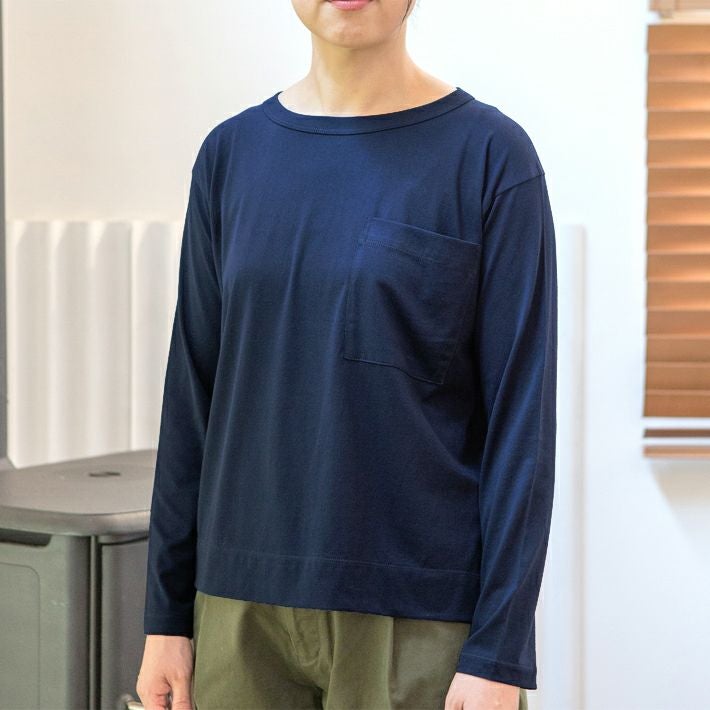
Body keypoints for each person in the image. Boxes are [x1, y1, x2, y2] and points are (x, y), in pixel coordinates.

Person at [136, 0, 558, 708]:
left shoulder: (491, 157)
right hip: (237, 612)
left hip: (415, 619)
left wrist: (500, 652)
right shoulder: (229, 156)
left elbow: (523, 426)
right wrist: (165, 617)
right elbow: (191, 399)